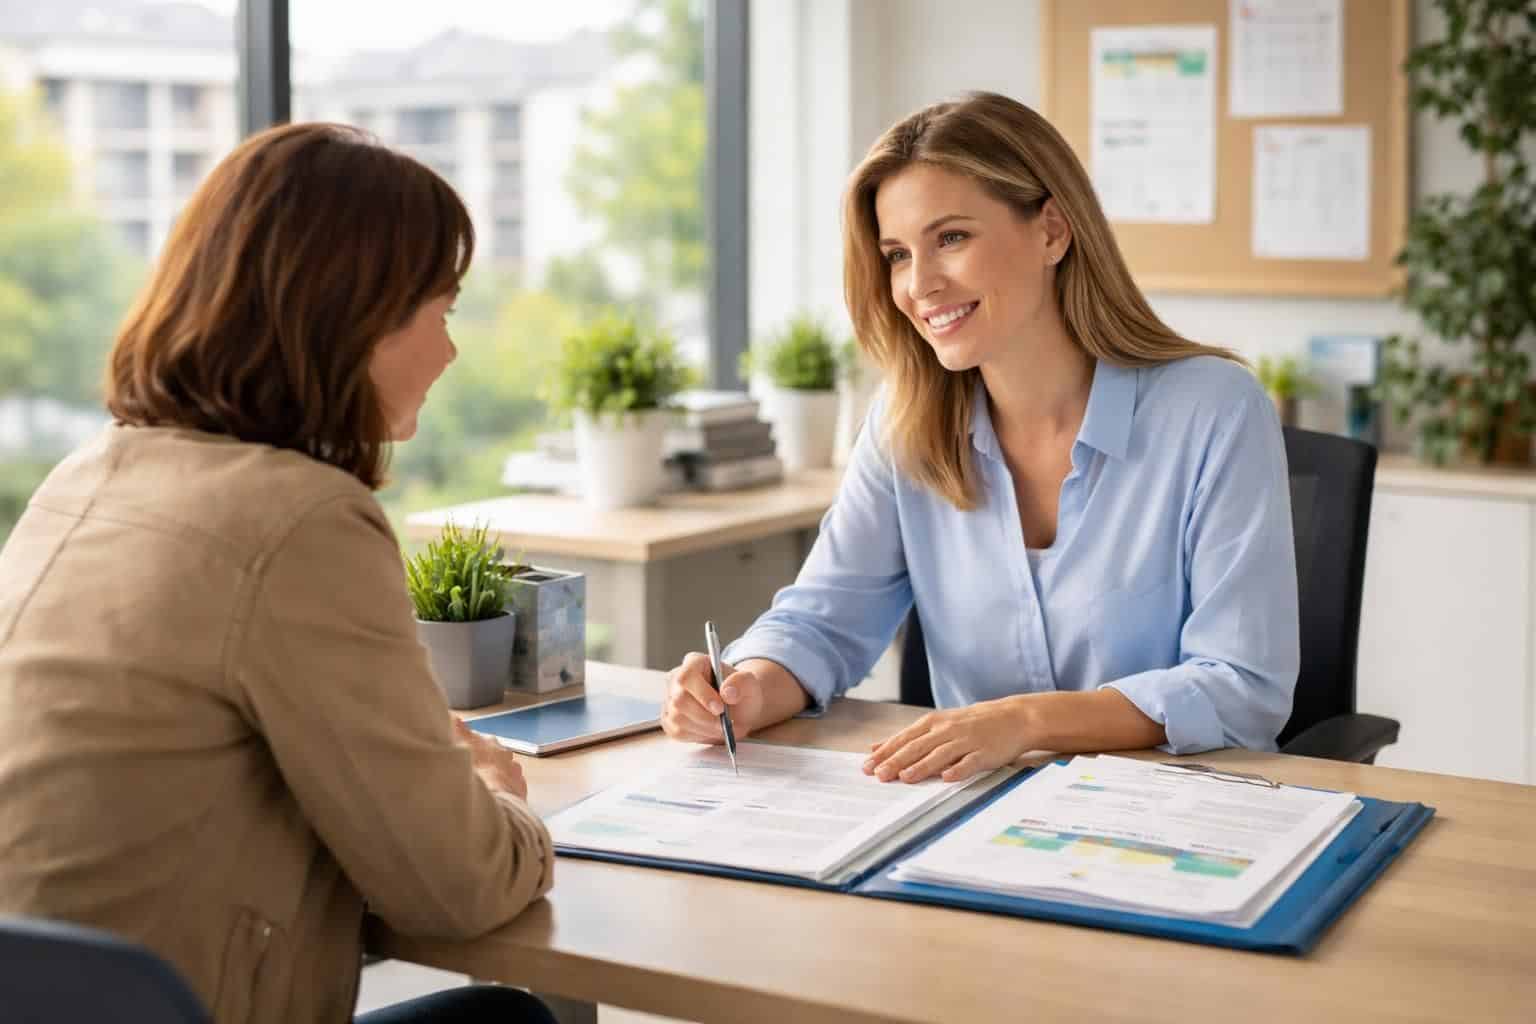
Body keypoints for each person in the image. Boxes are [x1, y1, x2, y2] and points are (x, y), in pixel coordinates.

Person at [0, 123, 557, 1023]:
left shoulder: (86, 475)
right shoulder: (303, 520)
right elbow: (459, 885)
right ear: (358, 314)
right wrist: (499, 801)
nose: (449, 352)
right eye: (441, 310)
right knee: (505, 1019)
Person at [662, 92, 1298, 784]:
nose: (920, 284)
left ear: (1053, 231)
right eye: (897, 254)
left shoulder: (1212, 410)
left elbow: (1241, 688)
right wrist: (749, 687)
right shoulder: (905, 424)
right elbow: (824, 623)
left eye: (952, 238)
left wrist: (1024, 721)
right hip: (972, 816)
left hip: (1173, 814)